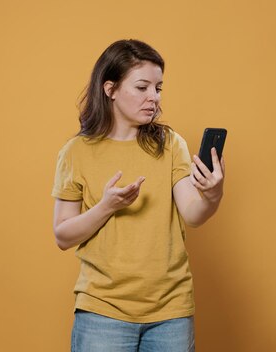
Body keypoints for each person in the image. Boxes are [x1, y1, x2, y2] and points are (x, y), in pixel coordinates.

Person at [51, 39, 225, 352]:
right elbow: (63, 235)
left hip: (171, 311)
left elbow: (193, 213)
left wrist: (213, 194)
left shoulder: (170, 144)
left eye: (158, 88)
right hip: (103, 310)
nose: (153, 98)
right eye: (142, 87)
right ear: (110, 89)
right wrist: (106, 206)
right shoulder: (76, 152)